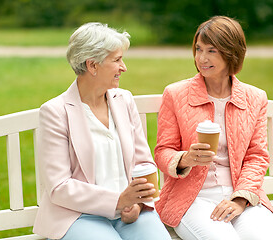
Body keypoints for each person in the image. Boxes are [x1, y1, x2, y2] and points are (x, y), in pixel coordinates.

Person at [32, 22, 171, 240]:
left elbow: (143, 163)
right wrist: (118, 200)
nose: (123, 67)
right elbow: (59, 186)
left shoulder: (124, 100)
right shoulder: (55, 112)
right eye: (116, 60)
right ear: (92, 65)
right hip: (78, 216)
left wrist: (138, 202)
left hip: (129, 212)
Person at [154, 16, 273, 239]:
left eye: (211, 51)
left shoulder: (255, 98)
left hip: (241, 195)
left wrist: (240, 199)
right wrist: (185, 159)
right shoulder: (175, 94)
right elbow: (163, 151)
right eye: (198, 49)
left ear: (231, 52)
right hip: (191, 198)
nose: (201, 58)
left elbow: (256, 156)